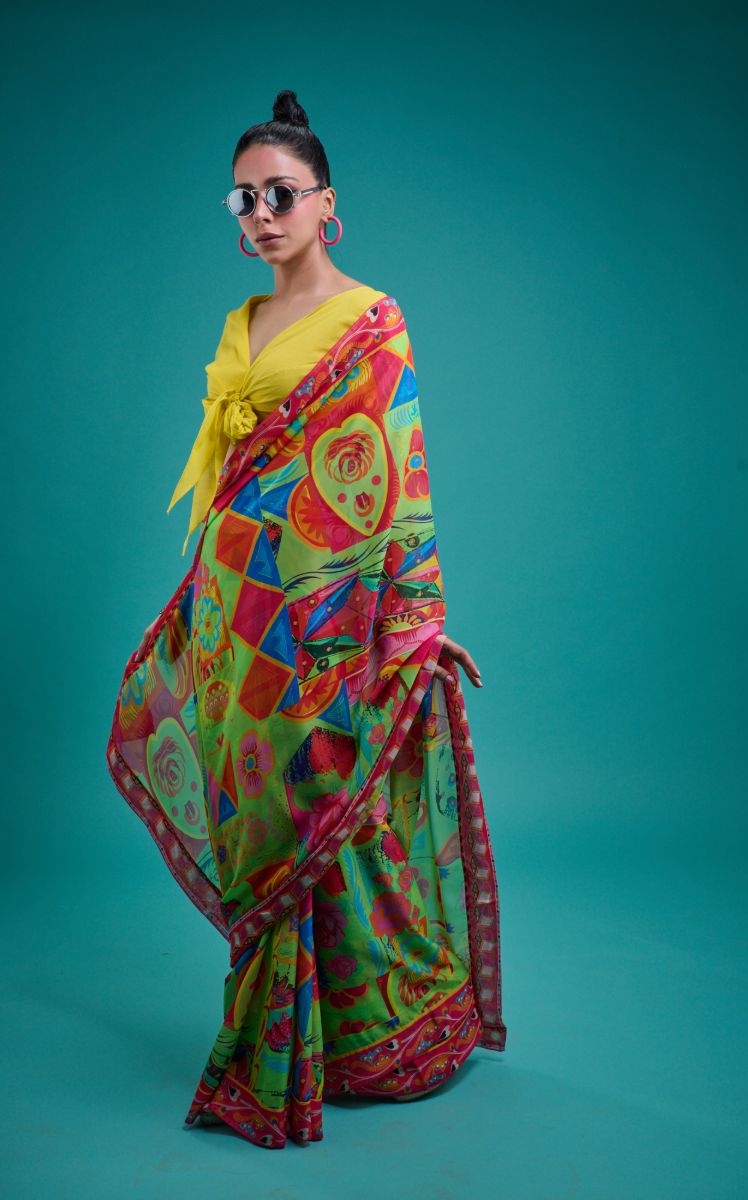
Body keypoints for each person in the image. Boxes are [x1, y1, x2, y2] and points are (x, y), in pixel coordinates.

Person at [107, 88, 506, 1150]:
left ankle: (373, 1037)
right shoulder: (240, 322)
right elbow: (229, 477)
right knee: (255, 818)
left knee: (324, 813)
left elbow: (394, 480)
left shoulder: (373, 321)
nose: (261, 214)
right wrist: (206, 594)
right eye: (242, 198)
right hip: (234, 620)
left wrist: (412, 619)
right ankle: (290, 1030)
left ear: (328, 202)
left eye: (280, 194)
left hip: (318, 625)